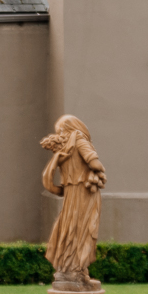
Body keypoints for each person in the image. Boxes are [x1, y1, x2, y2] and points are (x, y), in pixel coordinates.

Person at [40, 115, 106, 285]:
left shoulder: (63, 148)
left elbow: (51, 181)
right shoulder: (78, 139)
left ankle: (70, 270)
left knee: (70, 227)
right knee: (83, 229)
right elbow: (95, 164)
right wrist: (100, 171)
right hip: (84, 192)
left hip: (71, 192)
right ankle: (75, 271)